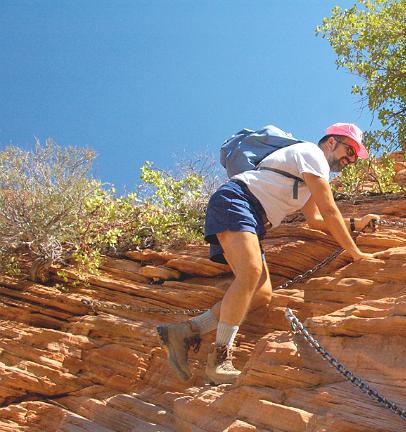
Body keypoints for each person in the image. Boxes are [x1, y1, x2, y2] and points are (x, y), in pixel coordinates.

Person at [156, 123, 378, 385]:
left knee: (261, 295)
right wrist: (356, 254)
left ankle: (185, 331)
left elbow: (316, 220)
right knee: (251, 272)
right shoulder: (311, 154)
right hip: (237, 201)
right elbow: (330, 211)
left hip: (250, 215)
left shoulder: (309, 173)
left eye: (354, 156)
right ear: (331, 142)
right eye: (349, 150)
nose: (350, 160)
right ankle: (219, 360)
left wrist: (357, 224)